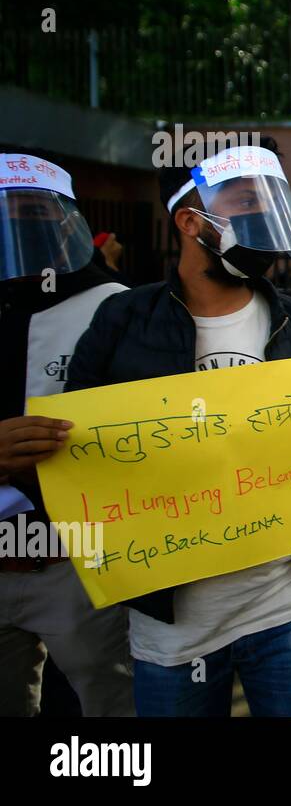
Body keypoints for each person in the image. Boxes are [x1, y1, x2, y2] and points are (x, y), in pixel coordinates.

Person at [54, 143, 291, 717]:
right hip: (171, 633)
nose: (263, 225)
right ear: (191, 222)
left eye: (270, 208)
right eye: (246, 207)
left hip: (288, 612)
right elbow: (76, 453)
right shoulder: (122, 320)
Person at [0, 153, 134, 717]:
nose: (20, 228)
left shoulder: (115, 308)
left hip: (79, 563)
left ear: (66, 222)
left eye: (35, 212)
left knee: (113, 709)